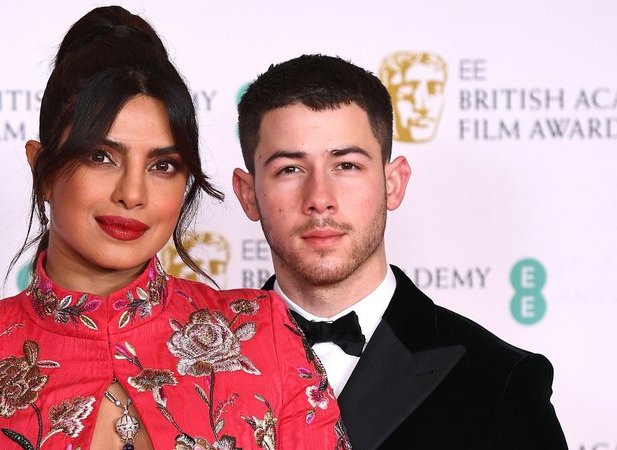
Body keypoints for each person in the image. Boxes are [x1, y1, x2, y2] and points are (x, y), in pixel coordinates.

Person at [0, 9, 347, 450]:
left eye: (163, 165)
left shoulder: (263, 336)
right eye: (101, 157)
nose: (132, 193)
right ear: (44, 169)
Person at [233, 54, 566, 449]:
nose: (320, 199)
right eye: (290, 169)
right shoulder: (187, 366)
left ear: (394, 183)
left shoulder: (500, 380)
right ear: (248, 194)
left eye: (347, 166)